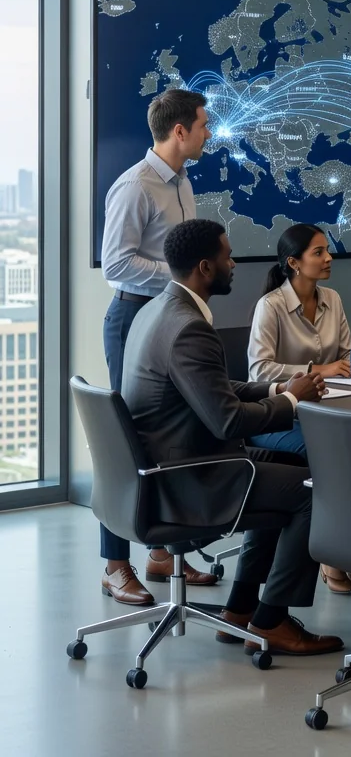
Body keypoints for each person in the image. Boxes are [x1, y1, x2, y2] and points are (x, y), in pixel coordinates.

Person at [121, 219, 343, 656]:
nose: (233, 263)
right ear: (206, 267)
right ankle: (273, 619)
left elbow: (214, 389)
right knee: (316, 491)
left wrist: (278, 389)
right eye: (226, 256)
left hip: (171, 462)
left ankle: (240, 610)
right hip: (190, 476)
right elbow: (226, 422)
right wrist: (293, 403)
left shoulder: (158, 311)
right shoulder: (189, 328)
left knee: (299, 468)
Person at [98, 88, 214, 605]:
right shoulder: (136, 186)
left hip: (167, 319)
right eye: (204, 125)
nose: (209, 133)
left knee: (178, 429)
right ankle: (114, 563)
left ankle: (167, 553)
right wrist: (177, 277)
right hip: (132, 319)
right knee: (128, 442)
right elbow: (116, 264)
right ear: (180, 131)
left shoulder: (184, 183)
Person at [247, 222, 351, 595]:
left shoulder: (334, 299)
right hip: (280, 418)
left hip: (329, 412)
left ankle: (343, 544)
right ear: (293, 262)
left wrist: (342, 366)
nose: (329, 258)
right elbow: (259, 371)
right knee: (326, 455)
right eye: (318, 252)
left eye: (327, 250)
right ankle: (329, 553)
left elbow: (348, 355)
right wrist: (314, 370)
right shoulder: (271, 306)